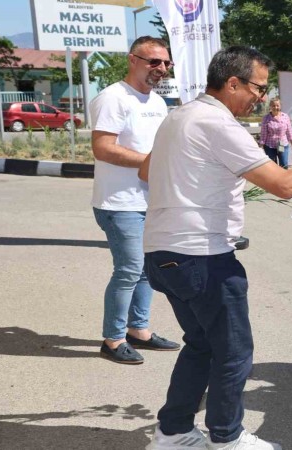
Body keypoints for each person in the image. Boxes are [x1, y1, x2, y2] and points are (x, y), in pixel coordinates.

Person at [140, 46, 292, 450]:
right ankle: (226, 438)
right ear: (232, 83)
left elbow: (146, 169)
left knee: (201, 345)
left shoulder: (178, 115)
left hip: (164, 253)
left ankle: (173, 431)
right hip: (202, 256)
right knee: (233, 353)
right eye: (257, 88)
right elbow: (283, 184)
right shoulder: (218, 123)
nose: (260, 97)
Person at [90, 36, 179, 365]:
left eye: (166, 63)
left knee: (145, 271)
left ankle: (137, 330)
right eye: (154, 61)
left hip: (148, 201)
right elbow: (102, 148)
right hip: (118, 203)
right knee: (128, 269)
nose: (161, 68)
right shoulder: (114, 98)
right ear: (132, 60)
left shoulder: (156, 102)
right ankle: (112, 340)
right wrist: (149, 161)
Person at [259, 97, 292, 168]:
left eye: (277, 105)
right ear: (270, 107)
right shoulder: (266, 118)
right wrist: (261, 146)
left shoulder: (285, 116)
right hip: (270, 145)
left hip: (282, 144)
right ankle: (274, 179)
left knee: (284, 164)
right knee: (273, 166)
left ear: (280, 106)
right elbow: (263, 133)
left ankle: (284, 178)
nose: (275, 107)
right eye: (273, 105)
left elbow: (289, 131)